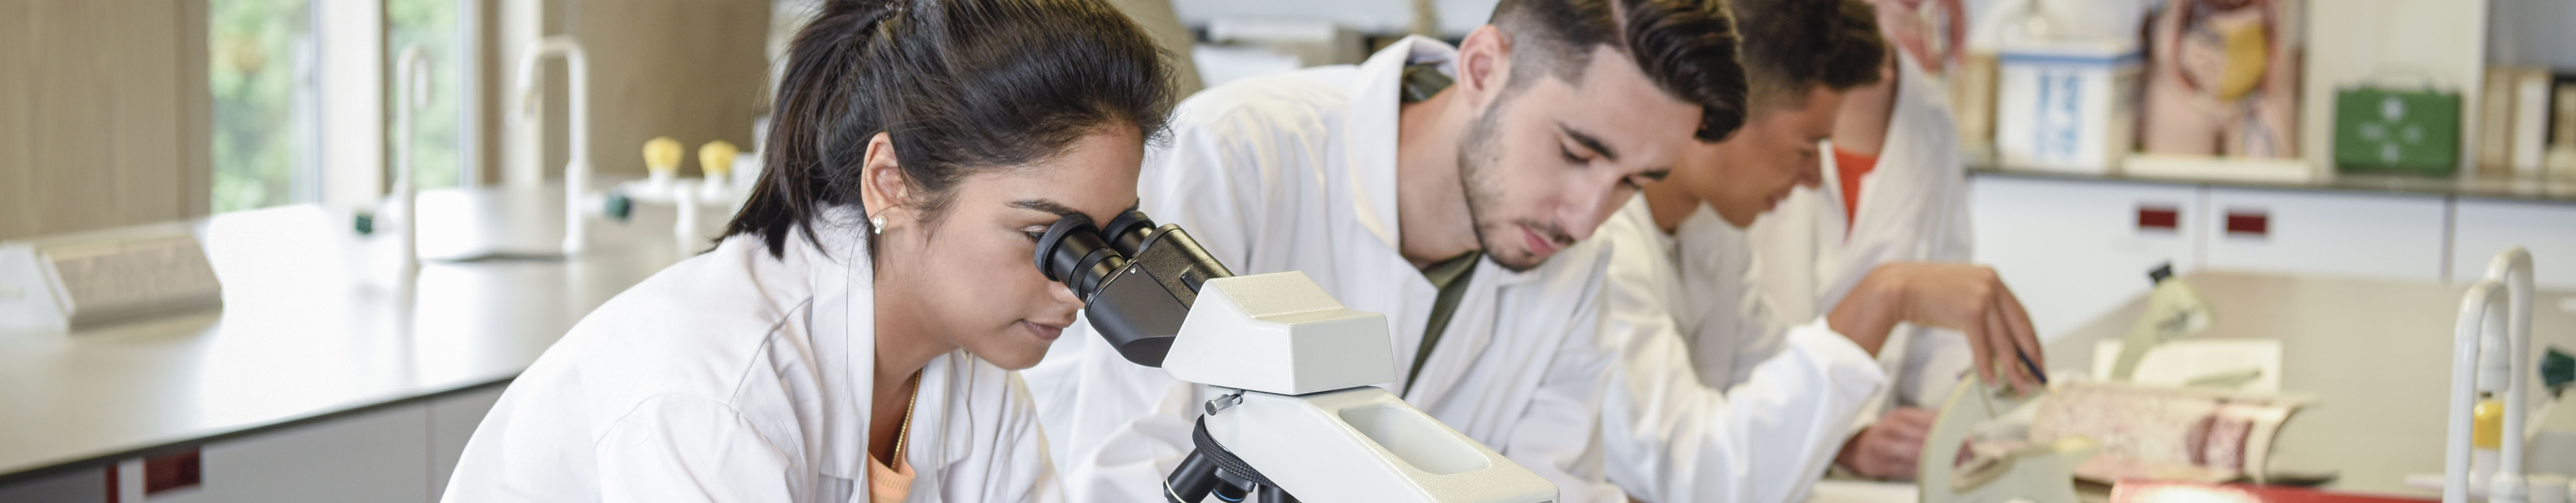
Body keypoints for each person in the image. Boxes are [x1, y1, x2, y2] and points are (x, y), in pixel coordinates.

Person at [438, 0, 1173, 500]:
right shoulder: (710, 392)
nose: (1078, 289)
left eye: (1104, 242)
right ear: (891, 183)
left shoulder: (974, 381)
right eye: (1047, 240)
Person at [1026, 0, 1750, 500]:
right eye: (1576, 152)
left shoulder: (1580, 264)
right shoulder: (1240, 154)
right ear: (1483, 67)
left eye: (1634, 183)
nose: (1589, 216)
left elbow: (1553, 485)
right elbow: (1118, 471)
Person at [1592, 0, 2041, 499]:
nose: (1811, 177)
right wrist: (1885, 295)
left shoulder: (1712, 225)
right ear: (1720, 110)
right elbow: (1696, 474)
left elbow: (1765, 375)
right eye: (1806, 149)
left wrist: (1847, 439)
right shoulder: (1604, 243)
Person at [1747, 0, 1981, 481]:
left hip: (1875, 480)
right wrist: (1842, 439)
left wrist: (1957, 418)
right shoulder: (1757, 84)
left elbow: (1937, 322)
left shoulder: (1929, 115)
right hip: (1760, 459)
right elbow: (1731, 338)